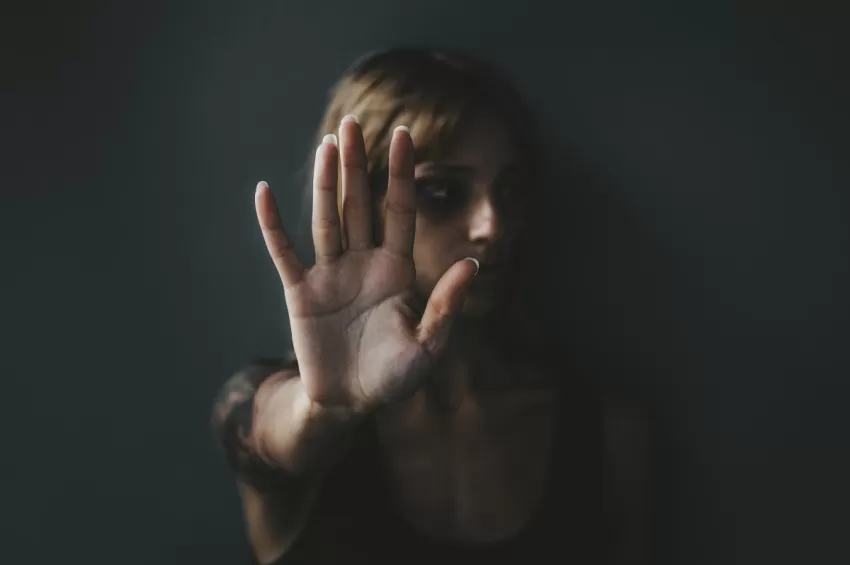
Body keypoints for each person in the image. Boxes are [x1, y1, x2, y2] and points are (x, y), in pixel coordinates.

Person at [211, 48, 652, 564]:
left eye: (510, 190)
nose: (493, 227)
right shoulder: (285, 418)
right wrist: (324, 409)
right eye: (442, 192)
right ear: (360, 204)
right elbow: (264, 440)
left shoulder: (605, 438)